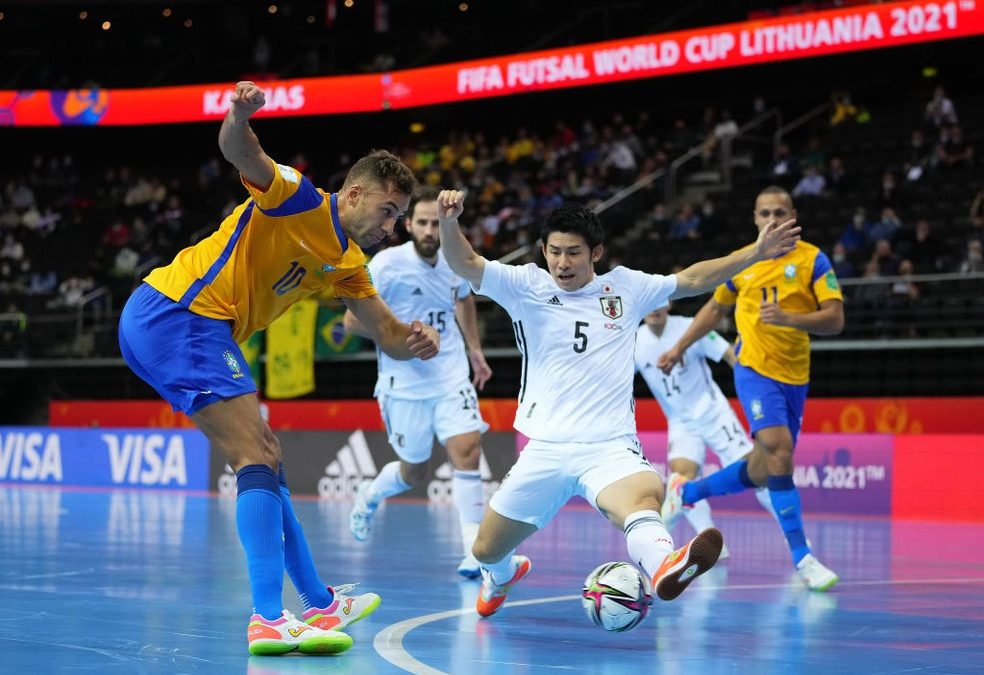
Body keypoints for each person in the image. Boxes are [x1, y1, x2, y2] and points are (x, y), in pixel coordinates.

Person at [117, 82, 440, 656]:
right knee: (256, 456)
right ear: (355, 193)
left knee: (265, 453)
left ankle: (317, 604)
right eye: (387, 210)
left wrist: (415, 340)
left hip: (194, 325)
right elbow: (241, 152)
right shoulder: (296, 197)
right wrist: (239, 115)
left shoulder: (348, 263)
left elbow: (388, 334)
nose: (390, 225)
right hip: (179, 312)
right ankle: (268, 617)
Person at [435, 190, 801, 620]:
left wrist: (755, 252)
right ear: (543, 251)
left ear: (597, 252)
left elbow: (695, 279)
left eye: (574, 253)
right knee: (485, 549)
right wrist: (448, 222)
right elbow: (465, 263)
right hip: (545, 448)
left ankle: (666, 564)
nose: (563, 263)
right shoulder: (524, 285)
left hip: (609, 445)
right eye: (555, 252)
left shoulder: (625, 288)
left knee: (644, 500)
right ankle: (501, 575)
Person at [657, 185, 844, 592]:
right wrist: (678, 346)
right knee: (778, 450)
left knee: (762, 469)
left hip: (795, 375)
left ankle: (687, 491)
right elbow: (714, 309)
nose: (772, 220)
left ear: (793, 215)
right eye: (764, 214)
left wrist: (790, 319)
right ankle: (803, 556)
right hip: (753, 370)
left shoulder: (814, 259)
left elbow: (835, 320)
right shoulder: (744, 263)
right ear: (755, 219)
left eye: (780, 212)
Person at [343, 186, 494, 578]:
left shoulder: (454, 258)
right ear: (408, 225)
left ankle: (473, 550)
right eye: (423, 223)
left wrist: (474, 350)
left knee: (468, 450)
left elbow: (463, 298)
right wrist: (400, 334)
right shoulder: (387, 264)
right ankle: (370, 495)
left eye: (436, 223)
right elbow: (351, 322)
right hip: (403, 384)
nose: (430, 230)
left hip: (450, 376)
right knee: (416, 473)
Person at [634, 305, 777, 555]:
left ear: (668, 304)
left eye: (660, 302)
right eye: (650, 302)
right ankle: (713, 544)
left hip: (712, 412)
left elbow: (730, 355)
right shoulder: (634, 341)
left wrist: (756, 388)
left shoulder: (691, 326)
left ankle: (792, 538)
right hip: (680, 421)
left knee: (757, 474)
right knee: (681, 478)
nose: (655, 308)